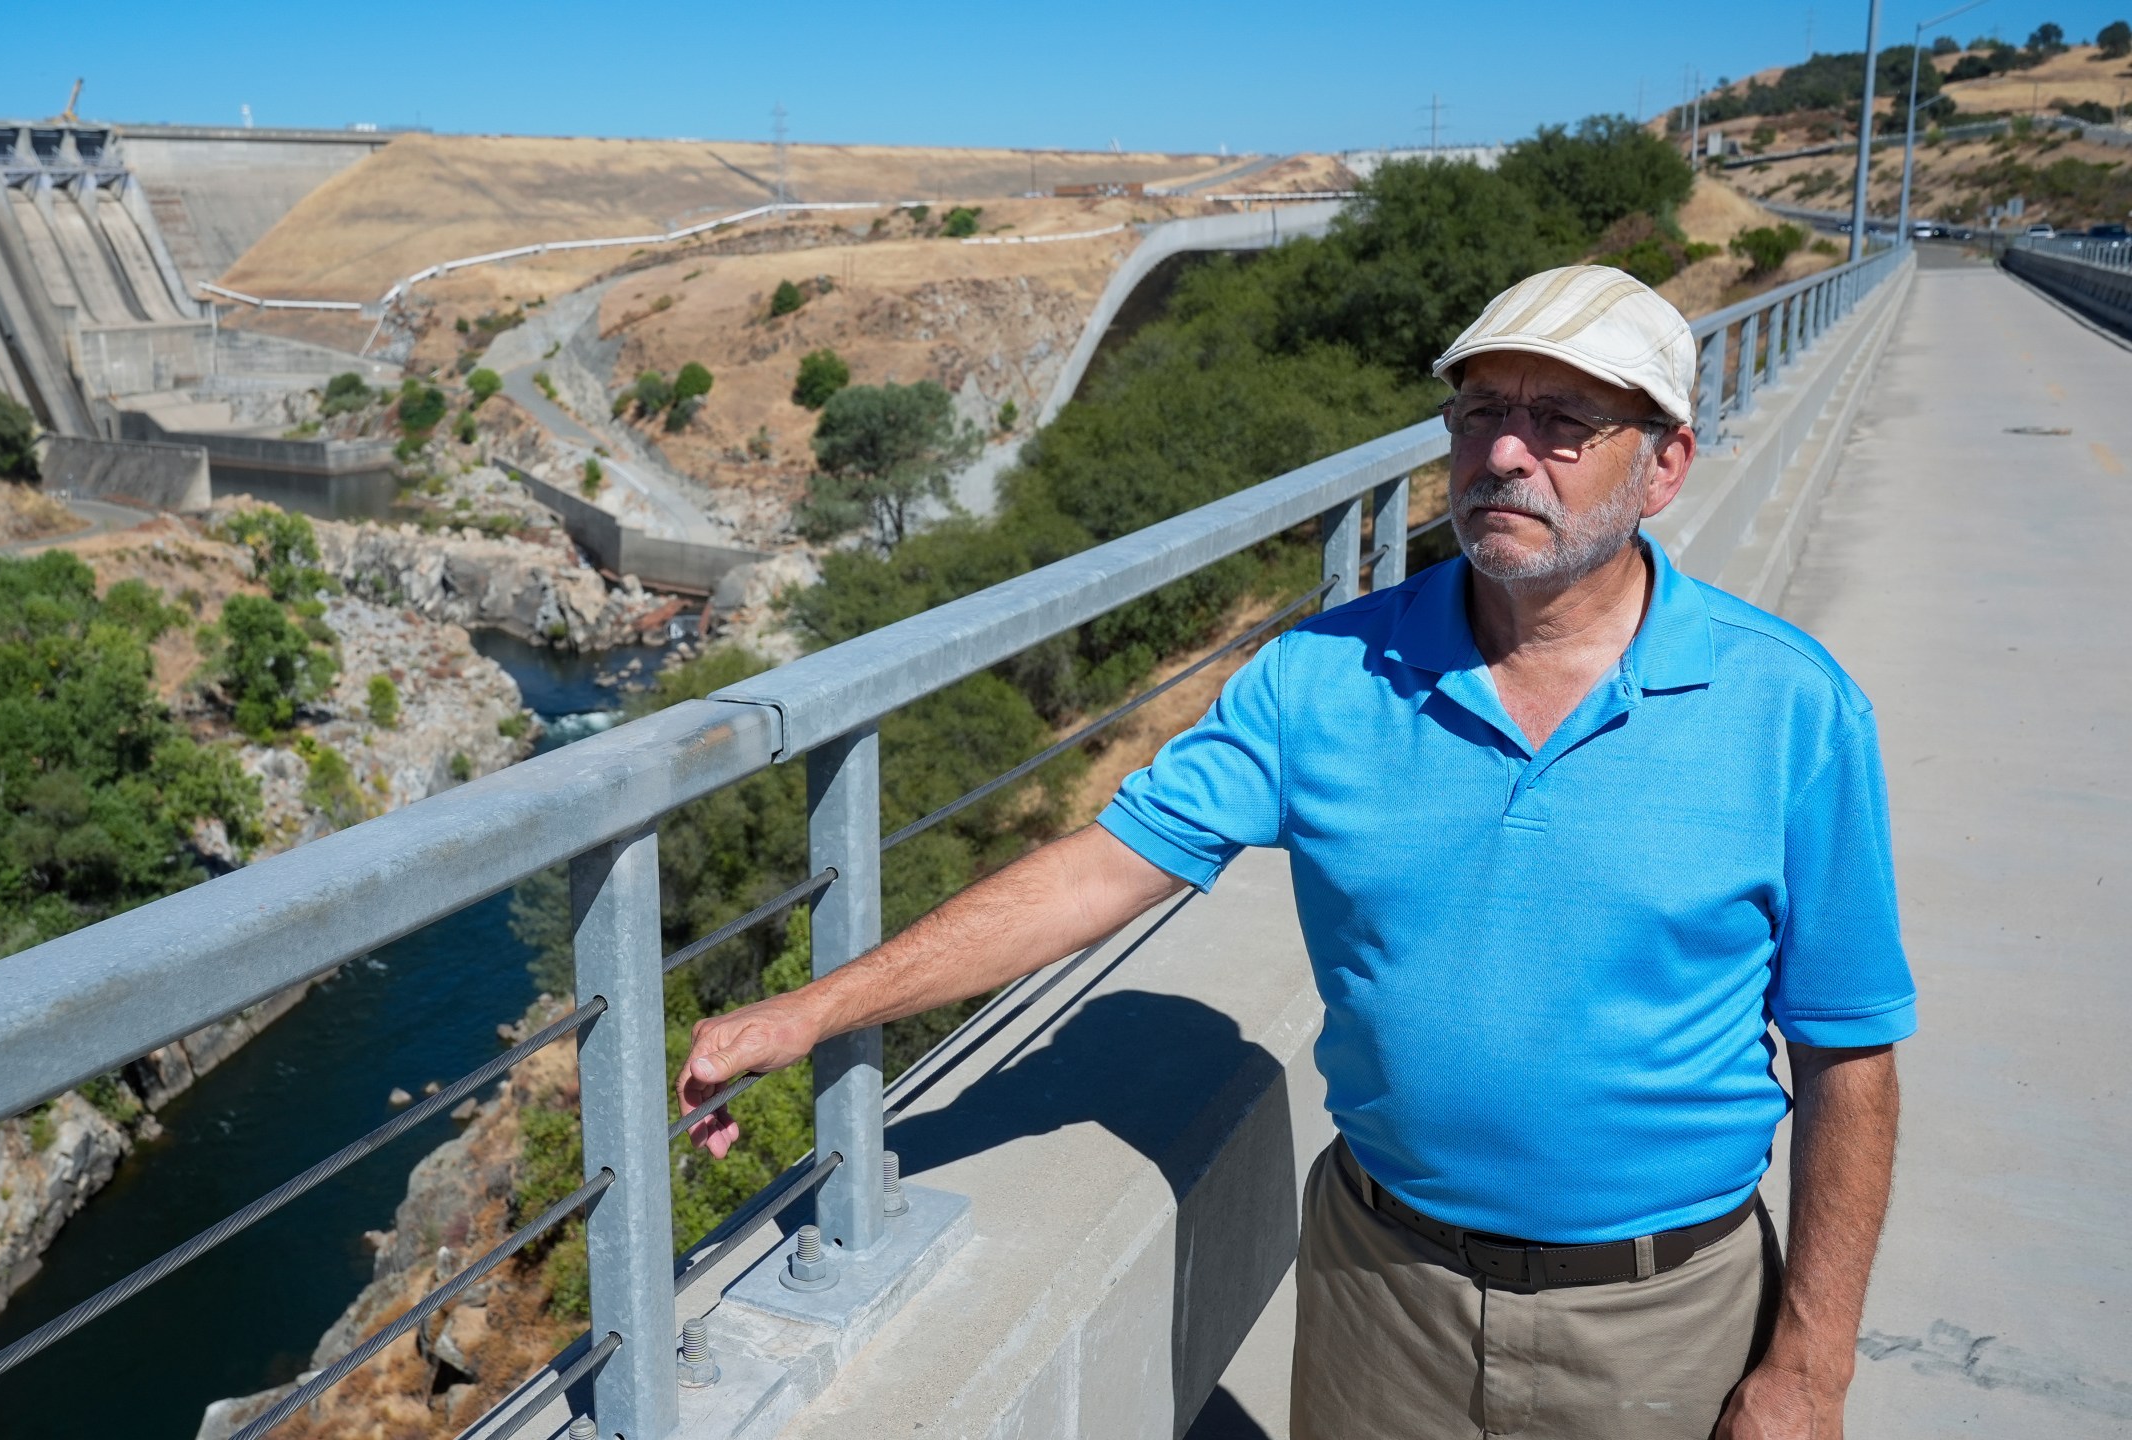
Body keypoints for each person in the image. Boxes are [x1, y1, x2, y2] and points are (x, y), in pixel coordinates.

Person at [676, 266, 1915, 1440]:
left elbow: (1847, 1053)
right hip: (1381, 1291)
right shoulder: (1319, 676)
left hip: (1662, 1317)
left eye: (1562, 423)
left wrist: (1807, 1366)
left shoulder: (1790, 710)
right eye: (1480, 410)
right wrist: (813, 1010)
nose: (1502, 454)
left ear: (1664, 467)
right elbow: (1097, 871)